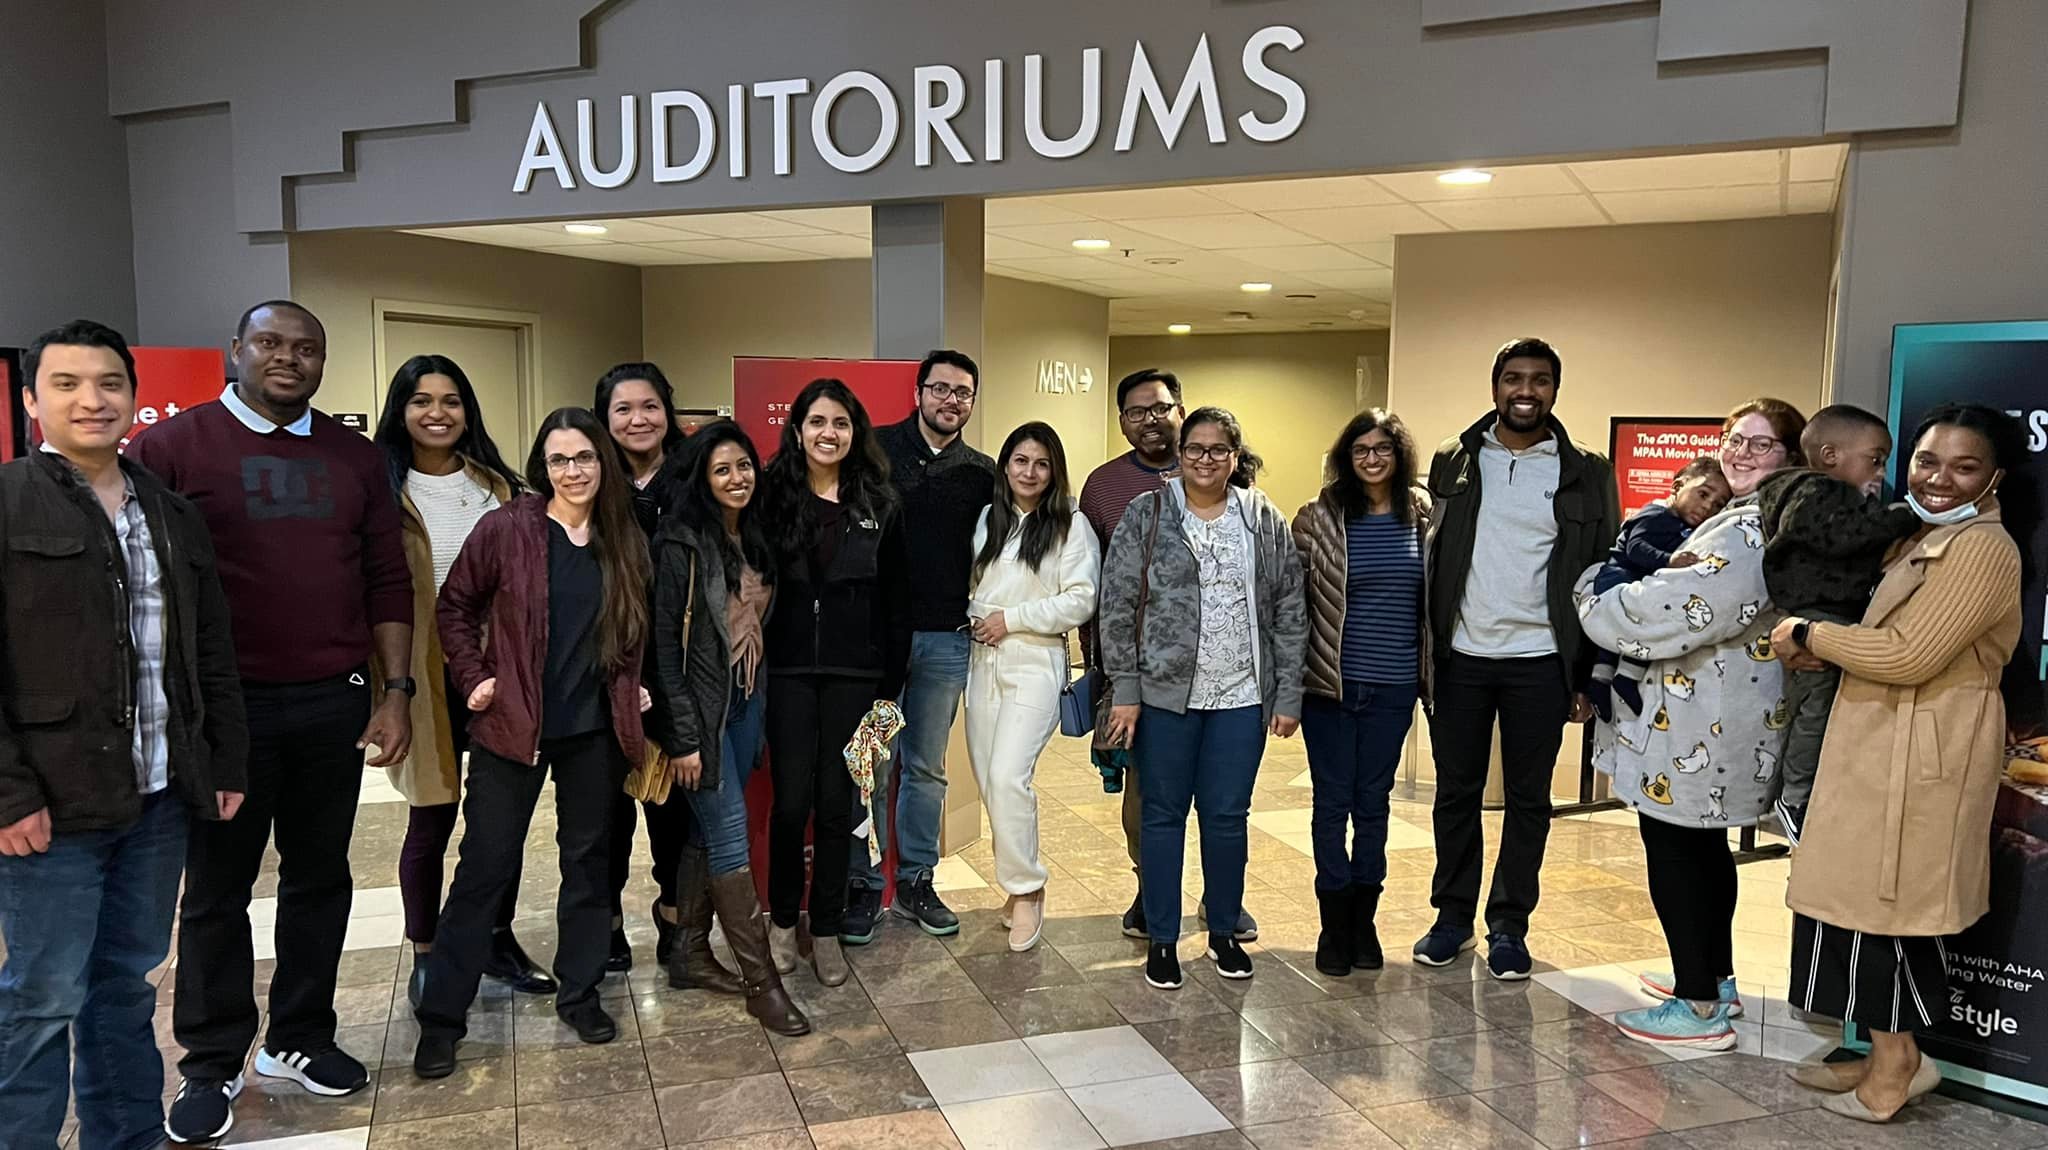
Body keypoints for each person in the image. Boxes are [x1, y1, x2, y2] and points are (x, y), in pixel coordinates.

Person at [132, 301, 413, 1143]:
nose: (288, 358)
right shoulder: (172, 447)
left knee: (319, 878)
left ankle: (299, 1037)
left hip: (332, 698)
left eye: (306, 348)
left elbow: (385, 578)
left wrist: (395, 691)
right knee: (218, 892)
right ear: (237, 350)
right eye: (270, 343)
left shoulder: (355, 458)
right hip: (226, 712)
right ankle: (210, 1062)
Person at [0, 321, 248, 1150]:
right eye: (67, 384)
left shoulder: (170, 513)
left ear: (134, 398)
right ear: (31, 400)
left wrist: (222, 760)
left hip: (157, 800)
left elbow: (208, 649)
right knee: (41, 999)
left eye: (109, 383)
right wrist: (8, 793)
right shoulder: (7, 502)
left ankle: (126, 1137)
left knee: (126, 989)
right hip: (50, 809)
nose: (92, 400)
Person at [1774, 404, 2025, 1122]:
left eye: (1965, 466)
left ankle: (1898, 1067)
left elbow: (1910, 654)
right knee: (1853, 908)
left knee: (1890, 911)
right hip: (1879, 742)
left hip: (1923, 751)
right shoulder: (1922, 532)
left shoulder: (1982, 548)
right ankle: (1883, 1050)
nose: (1938, 478)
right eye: (1926, 461)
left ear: (1995, 477)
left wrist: (1810, 635)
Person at [412, 407, 654, 1078]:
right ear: (542, 467)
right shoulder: (509, 528)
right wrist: (474, 677)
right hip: (511, 725)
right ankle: (442, 1020)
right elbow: (454, 607)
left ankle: (580, 993)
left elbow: (633, 623)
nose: (573, 471)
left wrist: (633, 685)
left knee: (589, 865)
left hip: (593, 733)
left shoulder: (623, 537)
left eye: (584, 457)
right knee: (484, 868)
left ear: (603, 462)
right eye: (559, 460)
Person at [1576, 398, 1807, 1050]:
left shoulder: (1748, 530)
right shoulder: (1760, 517)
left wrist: (1591, 590)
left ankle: (1699, 1006)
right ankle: (1713, 979)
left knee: (1677, 853)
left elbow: (1664, 612)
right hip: (1714, 722)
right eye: (1734, 439)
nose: (1740, 452)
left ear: (1791, 456)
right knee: (1705, 851)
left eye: (1760, 444)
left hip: (1702, 727)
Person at [1417, 338, 1617, 981]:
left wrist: (1589, 674)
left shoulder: (1587, 470)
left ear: (1555, 389)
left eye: (1539, 380)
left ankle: (1509, 925)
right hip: (1461, 659)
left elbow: (1604, 574)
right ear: (1495, 386)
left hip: (1542, 661)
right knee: (1456, 794)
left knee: (1530, 800)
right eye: (1513, 378)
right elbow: (1432, 557)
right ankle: (1452, 918)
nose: (1525, 390)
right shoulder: (1454, 459)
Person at [1099, 407, 1306, 991]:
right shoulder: (1148, 513)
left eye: (1218, 450)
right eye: (1195, 448)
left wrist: (1287, 692)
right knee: (1162, 816)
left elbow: (1289, 607)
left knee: (1226, 818)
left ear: (1235, 458)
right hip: (1165, 697)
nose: (1205, 459)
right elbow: (1117, 606)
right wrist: (1126, 690)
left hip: (1241, 696)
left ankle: (1222, 933)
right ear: (1180, 453)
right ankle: (1162, 939)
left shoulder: (1262, 518)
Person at [371, 355, 553, 1010]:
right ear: (401, 411)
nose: (437, 413)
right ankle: (427, 951)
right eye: (422, 401)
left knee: (499, 823)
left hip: (499, 677)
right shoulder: (381, 490)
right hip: (422, 679)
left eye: (451, 400)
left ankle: (496, 939)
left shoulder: (500, 489)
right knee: (431, 818)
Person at [1079, 370, 1259, 944]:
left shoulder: (1236, 488)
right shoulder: (1104, 487)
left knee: (1222, 802)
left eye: (1159, 408)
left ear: (1180, 412)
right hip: (1138, 675)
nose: (1149, 420)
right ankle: (1151, 892)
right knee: (1146, 799)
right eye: (1135, 412)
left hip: (1228, 682)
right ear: (1122, 422)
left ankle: (1220, 900)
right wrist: (1109, 673)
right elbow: (1102, 586)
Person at [648, 420, 811, 1035]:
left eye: (744, 465)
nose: (737, 478)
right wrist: (684, 737)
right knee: (728, 836)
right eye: (722, 469)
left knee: (705, 829)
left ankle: (688, 953)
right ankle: (762, 984)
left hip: (744, 705)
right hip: (702, 716)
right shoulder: (681, 544)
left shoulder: (756, 534)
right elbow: (666, 652)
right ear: (703, 479)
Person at [755, 379, 910, 987]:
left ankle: (825, 929)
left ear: (855, 432)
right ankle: (781, 922)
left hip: (858, 679)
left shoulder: (881, 503)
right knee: (791, 804)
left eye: (840, 423)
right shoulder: (769, 497)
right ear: (798, 431)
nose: (829, 433)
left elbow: (897, 603)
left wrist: (888, 691)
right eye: (817, 422)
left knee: (838, 805)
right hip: (786, 673)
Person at [846, 350, 994, 943]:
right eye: (940, 388)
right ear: (918, 392)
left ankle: (916, 880)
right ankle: (864, 883)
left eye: (963, 392)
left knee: (927, 768)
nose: (950, 400)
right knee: (872, 766)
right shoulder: (874, 453)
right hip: (878, 644)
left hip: (945, 642)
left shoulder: (982, 474)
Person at [1291, 409, 1431, 977]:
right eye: (1360, 450)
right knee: (1332, 804)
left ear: (1399, 456)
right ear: (1346, 458)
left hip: (1394, 687)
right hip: (1329, 687)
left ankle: (1363, 921)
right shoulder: (1318, 518)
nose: (1372, 459)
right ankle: (1333, 924)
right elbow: (1290, 604)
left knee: (1373, 804)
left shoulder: (1422, 516)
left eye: (1383, 449)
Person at [965, 422, 1099, 952]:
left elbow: (1081, 599)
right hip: (982, 660)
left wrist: (1012, 619)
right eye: (1021, 461)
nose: (1030, 472)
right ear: (1005, 466)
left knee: (1007, 776)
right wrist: (979, 618)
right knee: (988, 780)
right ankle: (1016, 880)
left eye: (1042, 463)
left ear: (1054, 471)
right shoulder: (988, 518)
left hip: (1035, 662)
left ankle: (1027, 889)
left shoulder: (1071, 524)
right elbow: (974, 586)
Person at [1753, 405, 1919, 828]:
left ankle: (1785, 794)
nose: (1880, 472)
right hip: (1820, 615)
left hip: (1812, 614)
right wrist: (1903, 516)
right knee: (1818, 707)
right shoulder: (1819, 493)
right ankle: (1796, 798)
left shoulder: (1800, 493)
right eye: (1875, 460)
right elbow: (1845, 536)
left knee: (1806, 707)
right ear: (1830, 456)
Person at [594, 362, 689, 972]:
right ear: (604, 418)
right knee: (602, 817)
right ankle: (605, 927)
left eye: (649, 406)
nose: (638, 420)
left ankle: (676, 923)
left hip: (677, 672)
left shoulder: (694, 477)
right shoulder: (589, 479)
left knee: (674, 813)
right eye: (623, 409)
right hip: (605, 670)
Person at [1586, 458, 1732, 720]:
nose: (1708, 506)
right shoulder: (1655, 514)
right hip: (1617, 576)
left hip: (1636, 582)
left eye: (1718, 504)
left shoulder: (1689, 529)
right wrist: (1668, 561)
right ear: (1677, 487)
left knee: (1644, 627)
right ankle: (1607, 677)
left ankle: (1619, 678)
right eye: (1703, 494)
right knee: (1631, 625)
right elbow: (1635, 548)